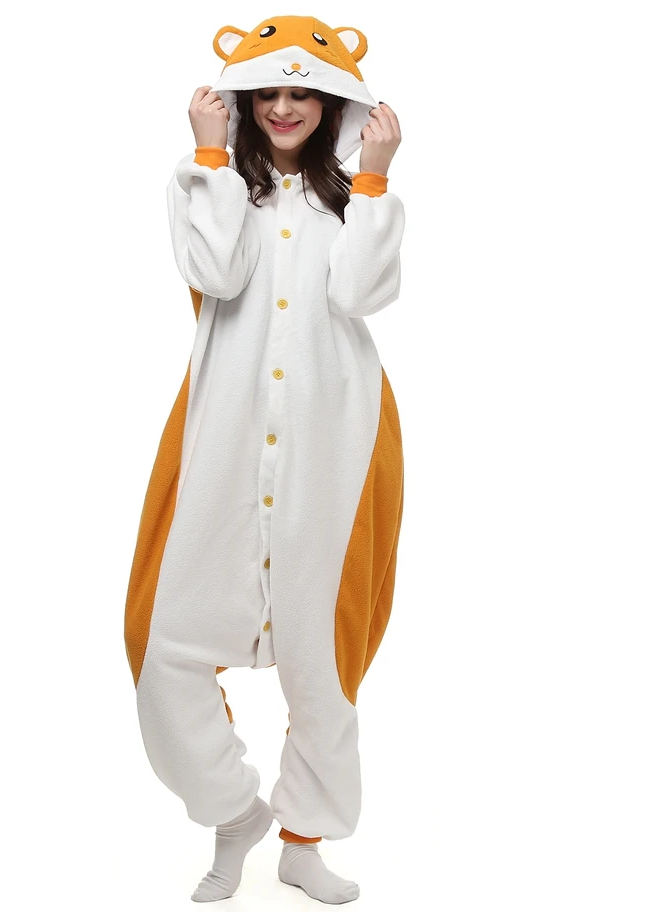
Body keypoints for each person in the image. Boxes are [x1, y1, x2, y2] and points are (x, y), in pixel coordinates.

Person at [123, 15, 405, 905]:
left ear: (332, 105)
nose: (284, 107)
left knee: (325, 657)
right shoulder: (211, 184)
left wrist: (375, 176)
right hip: (224, 428)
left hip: (340, 438)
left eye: (303, 93)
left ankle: (304, 842)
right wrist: (209, 157)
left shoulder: (353, 197)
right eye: (268, 92)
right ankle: (233, 813)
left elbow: (361, 292)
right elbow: (218, 274)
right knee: (162, 644)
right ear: (244, 101)